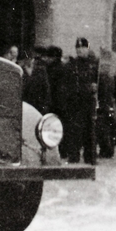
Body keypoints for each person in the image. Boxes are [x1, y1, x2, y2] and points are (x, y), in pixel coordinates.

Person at [60, 37, 98, 165]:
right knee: (75, 131)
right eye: (78, 48)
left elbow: (100, 82)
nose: (80, 50)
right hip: (76, 103)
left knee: (90, 131)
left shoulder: (93, 65)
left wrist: (96, 87)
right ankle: (74, 156)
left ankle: (90, 157)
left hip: (89, 102)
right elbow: (67, 85)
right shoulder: (71, 65)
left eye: (83, 47)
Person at [21, 46, 51, 113]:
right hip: (25, 104)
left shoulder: (40, 70)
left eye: (31, 58)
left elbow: (46, 88)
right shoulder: (21, 71)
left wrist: (46, 104)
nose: (30, 61)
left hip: (38, 104)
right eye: (27, 59)